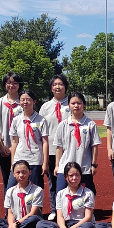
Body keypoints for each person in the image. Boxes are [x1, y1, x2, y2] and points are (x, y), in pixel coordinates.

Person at [36, 161, 96, 228]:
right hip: (66, 224)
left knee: (89, 227)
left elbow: (88, 217)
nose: (74, 178)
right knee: (40, 225)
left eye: (77, 175)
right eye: (71, 176)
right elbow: (60, 216)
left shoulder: (88, 193)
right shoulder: (61, 194)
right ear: (65, 177)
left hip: (80, 224)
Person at [0, 160, 42, 228]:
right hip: (15, 222)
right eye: (18, 172)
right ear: (13, 174)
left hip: (27, 222)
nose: (21, 175)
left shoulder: (37, 190)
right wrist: (11, 225)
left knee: (34, 219)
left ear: (30, 172)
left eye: (24, 172)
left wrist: (16, 224)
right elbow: (10, 212)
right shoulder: (10, 191)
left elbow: (33, 213)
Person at [54, 92, 101, 194]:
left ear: (84, 104)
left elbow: (94, 146)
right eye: (73, 103)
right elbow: (59, 147)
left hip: (84, 167)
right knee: (61, 194)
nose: (76, 106)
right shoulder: (63, 125)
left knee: (88, 194)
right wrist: (57, 165)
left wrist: (93, 164)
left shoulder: (90, 124)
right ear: (68, 105)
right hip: (65, 167)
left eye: (79, 103)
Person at [39, 74, 71, 220]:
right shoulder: (45, 107)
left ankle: (71, 208)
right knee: (53, 181)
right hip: (51, 149)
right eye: (54, 84)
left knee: (71, 179)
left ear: (65, 86)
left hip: (69, 149)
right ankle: (55, 209)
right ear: (51, 88)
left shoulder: (71, 104)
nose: (57, 87)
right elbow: (41, 129)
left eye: (60, 84)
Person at [8, 89, 49, 188]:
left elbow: (45, 142)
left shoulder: (41, 120)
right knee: (11, 188)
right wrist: (12, 162)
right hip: (19, 158)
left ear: (34, 101)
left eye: (28, 99)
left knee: (35, 189)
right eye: (22, 99)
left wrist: (45, 163)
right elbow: (14, 142)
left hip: (35, 160)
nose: (25, 102)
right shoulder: (16, 120)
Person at [0, 71, 24, 184]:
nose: (11, 85)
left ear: (19, 85)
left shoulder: (24, 102)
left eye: (15, 83)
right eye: (8, 82)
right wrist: (1, 145)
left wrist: (16, 146)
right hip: (3, 147)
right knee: (6, 179)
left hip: (21, 147)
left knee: (21, 178)